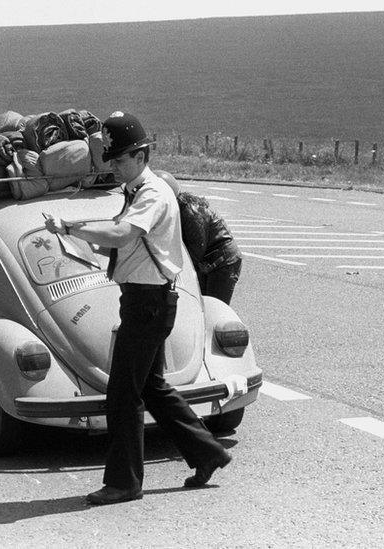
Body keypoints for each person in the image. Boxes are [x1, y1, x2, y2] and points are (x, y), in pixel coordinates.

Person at [44, 112, 231, 505]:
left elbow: (124, 233)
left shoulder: (152, 193)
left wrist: (71, 228)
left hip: (149, 303)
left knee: (122, 394)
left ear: (141, 154)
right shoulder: (135, 190)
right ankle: (207, 453)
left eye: (121, 158)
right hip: (143, 300)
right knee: (152, 387)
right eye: (111, 159)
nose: (114, 165)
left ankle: (124, 483)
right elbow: (120, 241)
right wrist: (87, 243)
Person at [157, 171, 243, 303]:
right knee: (200, 305)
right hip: (207, 262)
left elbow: (195, 251)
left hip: (222, 262)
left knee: (214, 306)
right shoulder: (172, 209)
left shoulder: (191, 212)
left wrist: (171, 272)